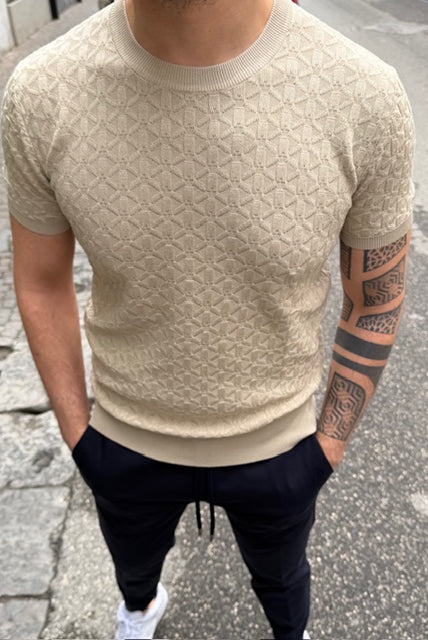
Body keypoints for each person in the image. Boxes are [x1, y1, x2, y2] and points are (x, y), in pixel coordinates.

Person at [1, 0, 414, 638]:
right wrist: (79, 435)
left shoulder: (364, 96)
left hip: (281, 445)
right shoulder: (42, 93)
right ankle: (139, 608)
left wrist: (326, 448)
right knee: (133, 566)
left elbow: (377, 297)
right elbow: (40, 280)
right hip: (122, 437)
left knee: (283, 578)